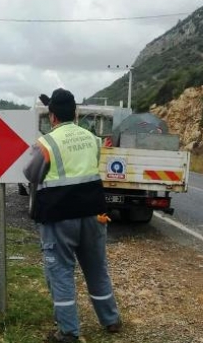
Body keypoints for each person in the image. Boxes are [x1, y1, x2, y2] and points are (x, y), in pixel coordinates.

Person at [23, 88, 122, 343]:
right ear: (76, 113)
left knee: (61, 272)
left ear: (52, 116)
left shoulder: (46, 143)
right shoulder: (92, 138)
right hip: (94, 213)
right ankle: (110, 319)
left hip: (59, 216)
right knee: (97, 268)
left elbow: (31, 174)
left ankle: (68, 331)